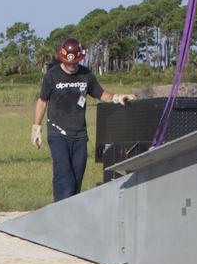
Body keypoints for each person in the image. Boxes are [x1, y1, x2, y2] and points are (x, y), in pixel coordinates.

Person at [31, 38, 136, 201]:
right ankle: (60, 213)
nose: (72, 66)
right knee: (63, 175)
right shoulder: (52, 76)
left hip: (80, 135)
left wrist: (117, 97)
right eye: (68, 63)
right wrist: (36, 127)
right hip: (58, 134)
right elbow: (42, 100)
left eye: (75, 62)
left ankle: (73, 211)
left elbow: (101, 93)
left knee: (77, 176)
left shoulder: (86, 74)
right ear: (62, 58)